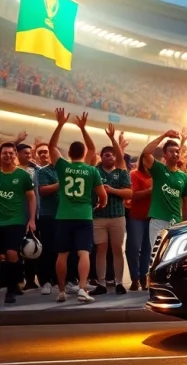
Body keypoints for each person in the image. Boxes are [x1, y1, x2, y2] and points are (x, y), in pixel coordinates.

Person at [48, 108, 107, 303]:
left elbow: (51, 146)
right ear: (84, 153)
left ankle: (62, 292)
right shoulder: (91, 170)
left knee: (62, 254)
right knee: (83, 253)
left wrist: (60, 124)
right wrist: (83, 128)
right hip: (84, 215)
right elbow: (102, 195)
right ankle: (82, 289)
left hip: (63, 215)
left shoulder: (63, 167)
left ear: (70, 153)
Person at [90, 125, 132, 296]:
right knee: (100, 250)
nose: (111, 157)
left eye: (113, 154)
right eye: (107, 155)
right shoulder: (94, 171)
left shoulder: (121, 172)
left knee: (117, 250)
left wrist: (111, 190)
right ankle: (101, 283)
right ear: (101, 156)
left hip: (117, 216)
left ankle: (119, 282)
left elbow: (129, 193)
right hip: (98, 217)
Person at [140, 130, 187, 242]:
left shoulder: (183, 177)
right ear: (165, 155)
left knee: (173, 256)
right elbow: (146, 153)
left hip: (176, 222)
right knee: (157, 255)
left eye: (177, 152)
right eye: (171, 151)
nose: (175, 154)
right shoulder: (159, 169)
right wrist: (164, 135)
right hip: (159, 221)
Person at [0, 142, 36, 304]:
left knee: (12, 254)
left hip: (15, 220)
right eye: (4, 153)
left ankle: (10, 290)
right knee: (5, 256)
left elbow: (31, 197)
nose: (8, 156)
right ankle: (13, 284)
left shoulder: (22, 175)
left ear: (15, 155)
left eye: (10, 153)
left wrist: (32, 219)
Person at [33, 143, 60, 295]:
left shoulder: (62, 169)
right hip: (46, 215)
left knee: (61, 249)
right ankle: (46, 281)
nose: (44, 155)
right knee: (47, 249)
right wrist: (61, 184)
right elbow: (42, 191)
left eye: (47, 152)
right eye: (41, 152)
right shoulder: (41, 172)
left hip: (63, 215)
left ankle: (59, 280)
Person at [127, 155, 153, 290]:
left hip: (152, 217)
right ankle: (135, 278)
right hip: (136, 217)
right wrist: (150, 190)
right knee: (134, 248)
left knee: (147, 250)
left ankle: (143, 277)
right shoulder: (135, 174)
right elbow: (133, 195)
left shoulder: (156, 176)